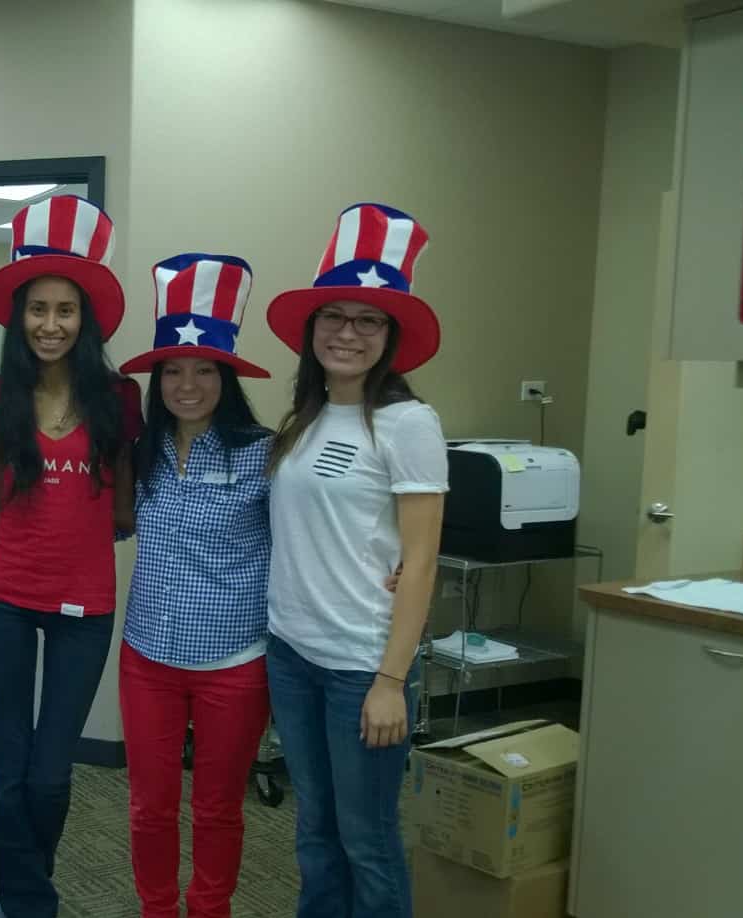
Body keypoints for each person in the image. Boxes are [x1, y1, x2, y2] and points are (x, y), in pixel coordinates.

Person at [261, 203, 448, 918]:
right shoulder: (303, 419)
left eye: (368, 320)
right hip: (292, 654)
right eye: (334, 316)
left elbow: (423, 560)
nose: (347, 333)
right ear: (311, 331)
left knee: (367, 839)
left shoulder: (409, 424)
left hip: (361, 665)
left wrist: (391, 679)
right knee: (314, 829)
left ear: (391, 337)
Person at [0, 195, 142, 918]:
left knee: (49, 772)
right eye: (37, 309)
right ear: (19, 318)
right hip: (5, 596)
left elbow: (127, 511)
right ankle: (26, 903)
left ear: (85, 319)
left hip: (85, 607)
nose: (49, 324)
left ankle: (23, 889)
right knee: (10, 765)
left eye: (64, 310)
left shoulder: (118, 397)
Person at [114, 254, 276, 918]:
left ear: (226, 376)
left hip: (235, 662)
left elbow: (317, 533)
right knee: (150, 805)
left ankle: (210, 909)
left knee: (216, 807)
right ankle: (157, 908)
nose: (187, 384)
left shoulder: (265, 453)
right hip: (147, 656)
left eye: (204, 369)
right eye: (173, 371)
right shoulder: (137, 451)